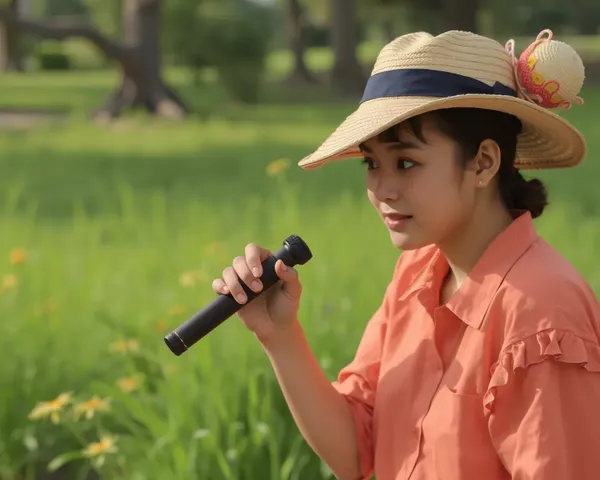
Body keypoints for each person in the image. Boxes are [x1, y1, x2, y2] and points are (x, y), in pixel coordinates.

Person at [211, 29, 600, 480]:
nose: (382, 189)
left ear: (484, 163)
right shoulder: (418, 274)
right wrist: (279, 336)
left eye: (407, 163)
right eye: (371, 163)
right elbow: (357, 452)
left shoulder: (541, 311)